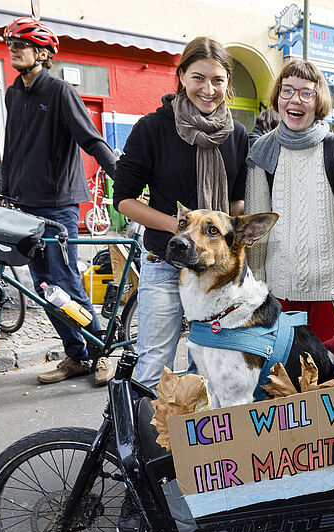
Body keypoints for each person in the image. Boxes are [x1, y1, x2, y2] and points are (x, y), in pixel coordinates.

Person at [113, 36, 249, 390]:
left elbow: (236, 203)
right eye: (198, 78)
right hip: (165, 264)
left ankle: (194, 445)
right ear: (181, 77)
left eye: (218, 80)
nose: (208, 89)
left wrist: (220, 234)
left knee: (206, 368)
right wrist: (186, 229)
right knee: (153, 365)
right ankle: (141, 444)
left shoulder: (235, 134)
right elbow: (124, 199)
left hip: (214, 275)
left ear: (227, 84)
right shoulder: (153, 128)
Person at [0, 17, 118, 386]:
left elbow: (92, 140)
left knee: (66, 281)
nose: (14, 49)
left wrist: (125, 180)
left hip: (57, 206)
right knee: (43, 286)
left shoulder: (60, 91)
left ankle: (102, 353)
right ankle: (76, 356)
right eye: (11, 43)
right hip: (23, 206)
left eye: (21, 44)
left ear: (42, 52)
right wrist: (5, 192)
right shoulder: (13, 93)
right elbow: (13, 148)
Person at [246, 59, 334, 342]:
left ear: (318, 101)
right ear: (278, 97)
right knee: (282, 380)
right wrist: (255, 282)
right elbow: (255, 228)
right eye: (287, 90)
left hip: (333, 294)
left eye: (306, 93)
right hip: (279, 292)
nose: (296, 100)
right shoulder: (262, 151)